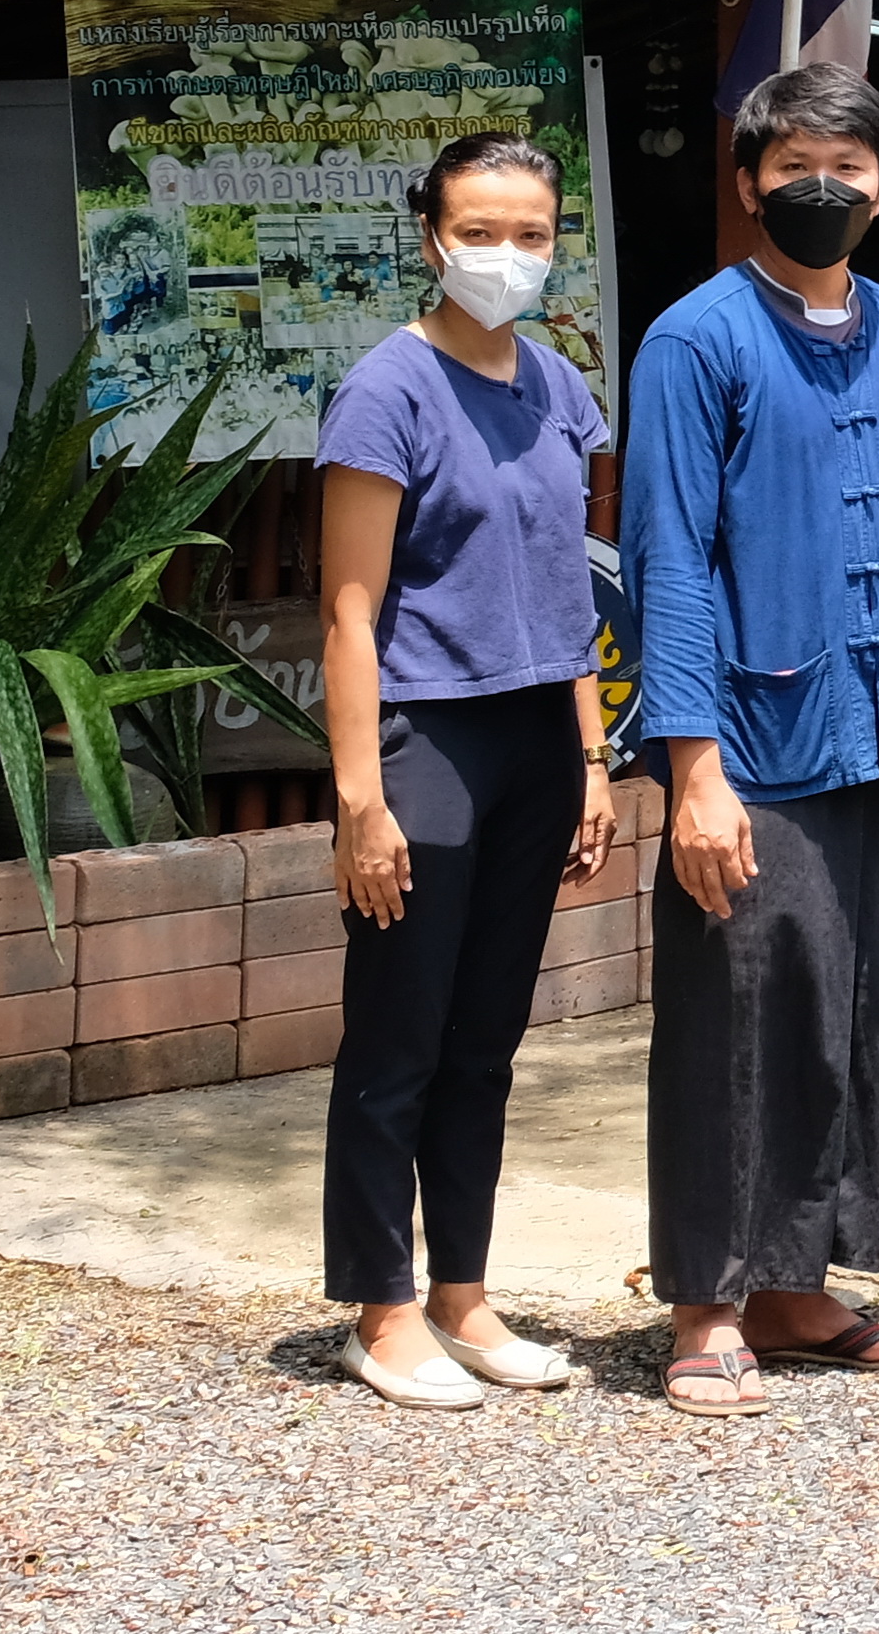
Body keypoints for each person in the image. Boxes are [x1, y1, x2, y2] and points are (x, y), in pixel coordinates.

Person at [621, 65, 879, 1416]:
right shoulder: (694, 341)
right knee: (735, 1012)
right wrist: (691, 766)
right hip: (753, 737)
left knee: (852, 1011)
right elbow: (668, 562)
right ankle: (709, 1300)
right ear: (748, 182)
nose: (822, 188)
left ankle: (799, 1283)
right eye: (795, 167)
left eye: (850, 166)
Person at [313, 131, 617, 1411]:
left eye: (531, 233)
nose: (507, 254)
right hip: (422, 740)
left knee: (487, 1039)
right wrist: (359, 798)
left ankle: (464, 1294)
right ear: (430, 236)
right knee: (401, 1036)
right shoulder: (386, 389)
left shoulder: (558, 384)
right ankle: (380, 1309)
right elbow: (346, 609)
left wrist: (593, 755)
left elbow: (566, 586)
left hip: (536, 742)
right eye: (479, 231)